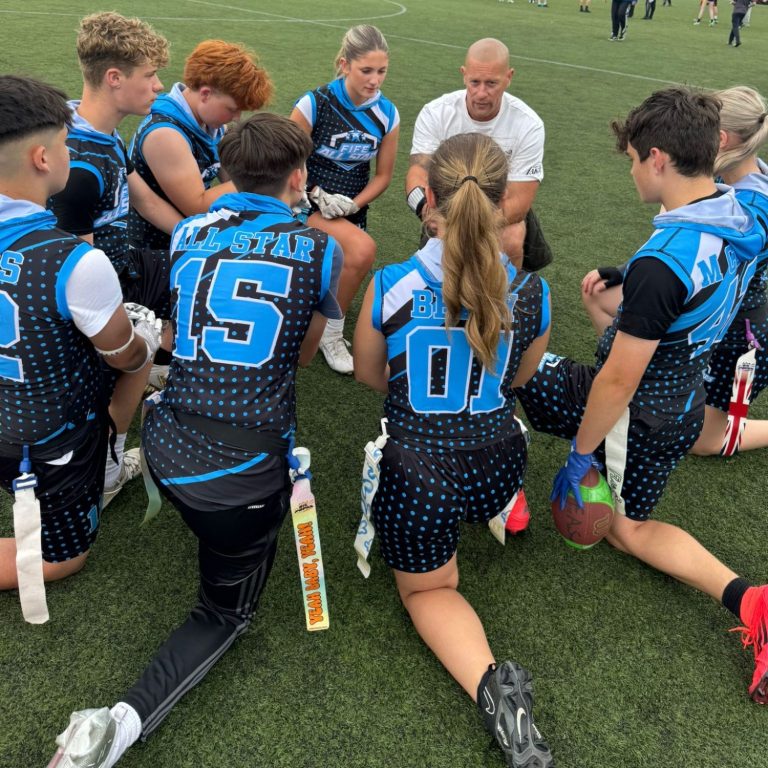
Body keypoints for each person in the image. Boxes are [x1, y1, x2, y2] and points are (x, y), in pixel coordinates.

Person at [47, 112, 343, 767]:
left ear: (224, 173)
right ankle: (120, 723)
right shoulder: (324, 248)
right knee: (224, 613)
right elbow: (298, 357)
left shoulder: (188, 232)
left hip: (166, 443)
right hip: (239, 478)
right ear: (298, 177)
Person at [515, 87, 768, 704]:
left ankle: (752, 601)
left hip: (642, 415)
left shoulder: (664, 263)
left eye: (631, 157)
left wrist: (580, 455)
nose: (629, 169)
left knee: (627, 529)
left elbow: (618, 381)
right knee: (525, 372)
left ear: (657, 158)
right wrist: (631, 280)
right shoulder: (743, 211)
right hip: (680, 397)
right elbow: (699, 275)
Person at [354, 133, 554, 767]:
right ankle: (501, 511)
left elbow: (367, 374)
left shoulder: (390, 281)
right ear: (504, 202)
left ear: (429, 199)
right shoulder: (530, 289)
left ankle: (492, 690)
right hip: (499, 462)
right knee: (490, 438)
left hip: (419, 474)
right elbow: (521, 380)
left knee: (429, 592)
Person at [0, 76, 161, 599]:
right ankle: (108, 466)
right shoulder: (75, 259)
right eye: (67, 144)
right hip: (44, 440)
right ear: (43, 158)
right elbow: (120, 352)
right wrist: (144, 339)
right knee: (61, 560)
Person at [581, 86, 768, 457]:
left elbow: (706, 265)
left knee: (705, 442)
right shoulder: (734, 184)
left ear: (718, 140)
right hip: (703, 308)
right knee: (598, 295)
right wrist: (625, 271)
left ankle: (633, 382)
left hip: (739, 331)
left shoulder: (751, 210)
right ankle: (633, 379)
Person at [49, 12, 179, 507]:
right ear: (114, 78)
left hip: (120, 263)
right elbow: (71, 262)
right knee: (135, 351)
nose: (159, 85)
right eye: (150, 76)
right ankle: (106, 466)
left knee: (189, 271)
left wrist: (198, 235)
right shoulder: (78, 161)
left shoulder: (91, 124)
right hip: (90, 287)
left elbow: (141, 198)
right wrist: (117, 328)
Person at [289, 24, 399, 375]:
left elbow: (382, 176)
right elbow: (286, 163)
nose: (374, 80)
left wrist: (354, 204)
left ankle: (323, 327)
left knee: (341, 261)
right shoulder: (314, 103)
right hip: (303, 203)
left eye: (381, 71)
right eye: (366, 70)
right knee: (362, 251)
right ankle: (330, 332)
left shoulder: (388, 114)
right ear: (344, 64)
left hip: (348, 209)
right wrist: (314, 195)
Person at [406, 38, 549, 272]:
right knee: (439, 243)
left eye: (491, 83)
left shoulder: (528, 124)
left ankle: (502, 304)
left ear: (509, 77)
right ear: (464, 75)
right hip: (446, 207)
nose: (481, 93)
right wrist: (425, 209)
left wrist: (468, 226)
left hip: (498, 209)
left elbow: (519, 202)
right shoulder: (436, 113)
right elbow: (417, 173)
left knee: (512, 238)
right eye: (474, 82)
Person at [130, 39, 274, 250]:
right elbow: (197, 206)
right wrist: (264, 176)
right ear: (205, 94)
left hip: (189, 239)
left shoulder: (208, 123)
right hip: (155, 251)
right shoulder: (165, 134)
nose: (236, 118)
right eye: (232, 109)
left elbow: (232, 179)